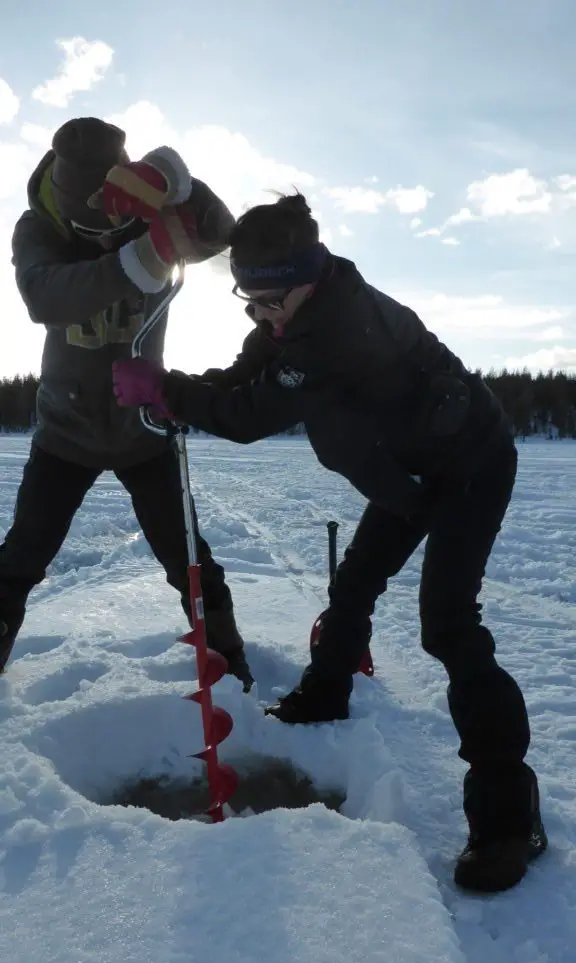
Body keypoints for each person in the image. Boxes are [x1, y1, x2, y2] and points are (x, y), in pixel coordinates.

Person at [111, 191, 547, 893]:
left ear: (306, 278)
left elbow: (248, 415)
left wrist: (170, 390)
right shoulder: (291, 316)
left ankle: (509, 817)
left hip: (469, 463)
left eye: (270, 300)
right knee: (354, 584)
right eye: (247, 301)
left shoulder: (334, 330)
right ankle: (325, 692)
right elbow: (240, 377)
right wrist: (179, 391)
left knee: (448, 623)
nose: (260, 314)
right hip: (405, 471)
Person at [4, 116, 253, 690]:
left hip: (146, 429)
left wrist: (171, 179)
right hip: (65, 434)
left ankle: (226, 657)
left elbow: (220, 230)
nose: (102, 235)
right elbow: (46, 297)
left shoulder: (144, 207)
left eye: (110, 226)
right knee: (21, 557)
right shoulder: (35, 229)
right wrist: (143, 254)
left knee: (187, 558)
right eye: (89, 228)